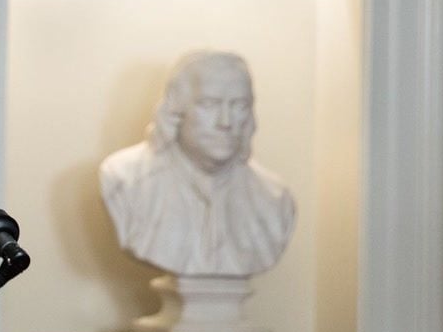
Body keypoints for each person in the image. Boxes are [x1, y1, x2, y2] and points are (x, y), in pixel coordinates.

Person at [98, 51, 296, 277]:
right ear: (176, 109)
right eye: (209, 104)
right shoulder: (125, 180)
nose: (225, 122)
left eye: (239, 105)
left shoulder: (274, 198)